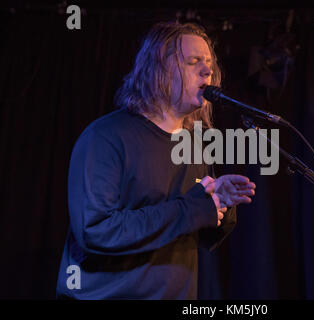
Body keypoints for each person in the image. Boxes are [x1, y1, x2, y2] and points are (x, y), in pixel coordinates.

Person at [56, 21, 256, 300]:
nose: (208, 71)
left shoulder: (195, 145)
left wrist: (216, 204)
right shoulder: (106, 137)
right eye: (193, 61)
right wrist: (192, 209)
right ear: (158, 70)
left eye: (209, 62)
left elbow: (194, 233)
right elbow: (96, 230)